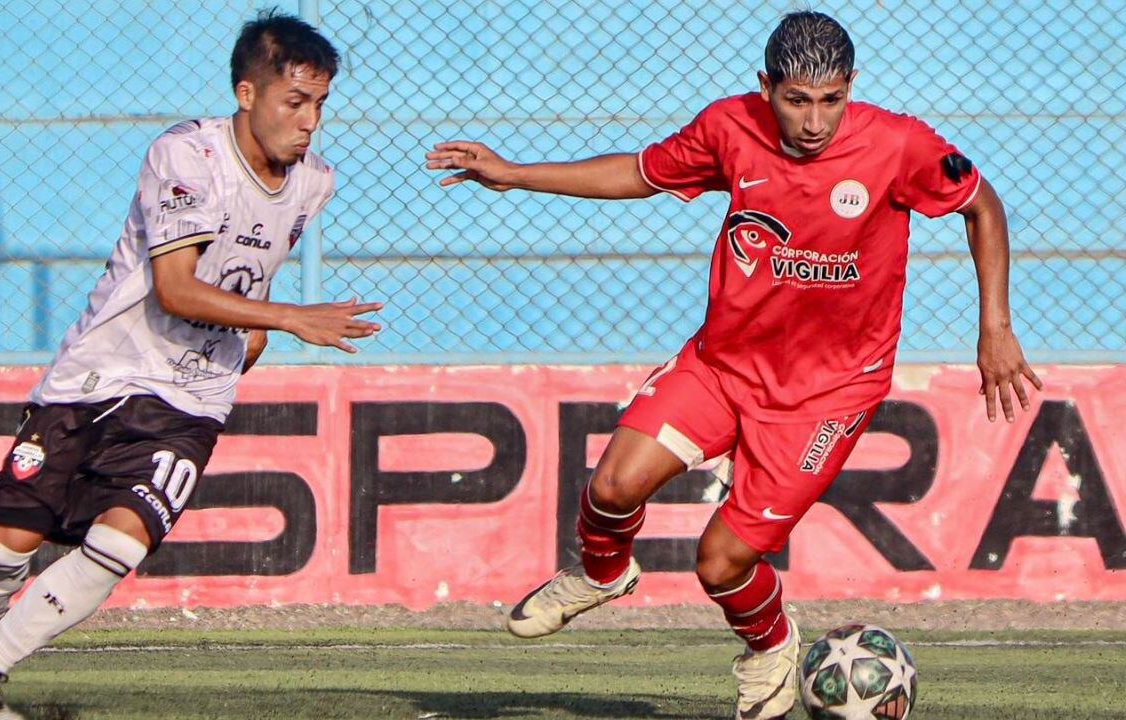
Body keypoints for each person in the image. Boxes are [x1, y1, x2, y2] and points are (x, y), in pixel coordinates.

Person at [426, 11, 1040, 719]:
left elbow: (981, 205)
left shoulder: (900, 144)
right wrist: (515, 175)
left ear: (851, 89)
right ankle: (602, 573)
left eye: (831, 100)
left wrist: (995, 326)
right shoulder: (728, 127)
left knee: (719, 562)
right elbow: (639, 172)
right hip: (724, 364)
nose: (815, 122)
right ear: (766, 87)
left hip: (828, 395)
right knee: (613, 485)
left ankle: (771, 646)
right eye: (797, 100)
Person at [0, 11, 380, 719]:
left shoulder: (314, 182)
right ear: (247, 94)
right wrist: (288, 319)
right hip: (104, 370)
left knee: (124, 538)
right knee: (6, 545)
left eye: (321, 105)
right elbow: (176, 288)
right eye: (295, 101)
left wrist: (257, 324)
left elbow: (253, 261)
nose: (310, 122)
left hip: (191, 396)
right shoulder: (187, 156)